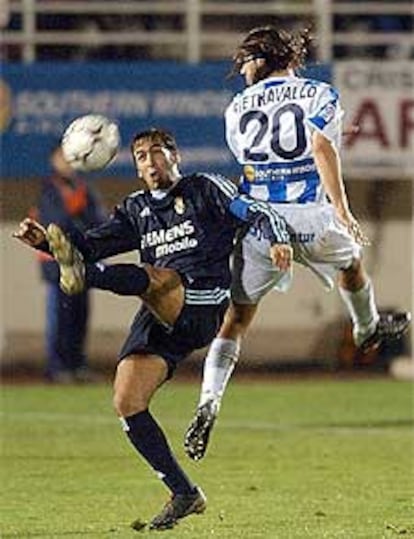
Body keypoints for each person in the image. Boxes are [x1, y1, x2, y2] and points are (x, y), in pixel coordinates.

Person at [13, 128, 292, 531]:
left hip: (201, 301)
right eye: (141, 156)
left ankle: (85, 278)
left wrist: (279, 237)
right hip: (159, 310)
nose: (149, 162)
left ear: (174, 155)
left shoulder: (204, 188)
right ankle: (184, 493)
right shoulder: (136, 209)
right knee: (126, 399)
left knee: (154, 278)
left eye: (156, 153)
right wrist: (47, 244)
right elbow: (87, 245)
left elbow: (256, 210)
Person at [184, 25, 411, 461]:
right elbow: (322, 148)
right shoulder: (318, 93)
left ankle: (208, 402)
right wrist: (342, 208)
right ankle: (366, 329)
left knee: (235, 322)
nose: (242, 67)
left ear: (265, 57)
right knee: (353, 267)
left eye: (247, 59)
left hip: (261, 227)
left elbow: (250, 166)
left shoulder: (236, 108)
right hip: (312, 216)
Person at [35, 146, 106, 383]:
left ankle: (77, 364)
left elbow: (100, 221)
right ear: (53, 159)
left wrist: (79, 216)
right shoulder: (49, 189)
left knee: (80, 315)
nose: (67, 162)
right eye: (61, 157)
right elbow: (55, 223)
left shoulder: (84, 188)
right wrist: (76, 214)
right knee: (60, 316)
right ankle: (57, 367)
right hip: (57, 267)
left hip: (83, 263)